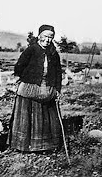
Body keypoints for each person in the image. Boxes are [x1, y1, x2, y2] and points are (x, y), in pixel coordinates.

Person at [9, 24, 63, 153]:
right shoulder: (31, 50)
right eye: (45, 36)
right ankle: (23, 145)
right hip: (30, 88)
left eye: (51, 37)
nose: (47, 39)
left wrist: (57, 89)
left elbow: (58, 73)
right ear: (39, 36)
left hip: (47, 88)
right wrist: (28, 79)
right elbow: (19, 67)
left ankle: (45, 145)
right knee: (28, 116)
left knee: (46, 116)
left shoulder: (53, 53)